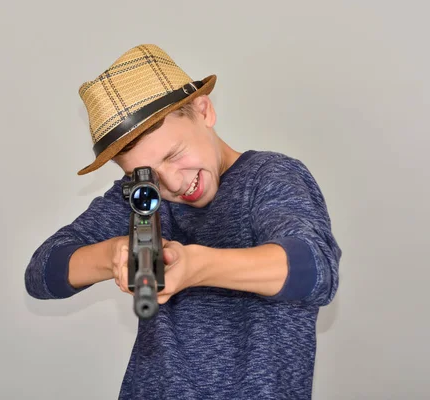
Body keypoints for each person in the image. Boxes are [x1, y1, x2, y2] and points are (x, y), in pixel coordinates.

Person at [25, 44, 342, 400]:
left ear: (204, 111)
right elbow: (41, 273)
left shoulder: (270, 177)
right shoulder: (141, 196)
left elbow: (315, 270)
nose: (173, 183)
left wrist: (195, 265)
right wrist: (114, 253)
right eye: (149, 174)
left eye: (174, 154)